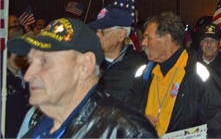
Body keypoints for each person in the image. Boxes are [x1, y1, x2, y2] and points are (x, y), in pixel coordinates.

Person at [8, 17, 158, 138]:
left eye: (45, 61)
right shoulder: (38, 123)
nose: (28, 75)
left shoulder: (125, 132)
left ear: (86, 66)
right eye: (32, 61)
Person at [127, 11, 221, 138]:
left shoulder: (201, 76)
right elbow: (128, 112)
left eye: (149, 38)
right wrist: (139, 119)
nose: (143, 43)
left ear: (167, 39)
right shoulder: (144, 74)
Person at [87, 6, 148, 102]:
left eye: (102, 31)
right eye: (96, 31)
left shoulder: (140, 65)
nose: (97, 36)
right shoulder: (88, 61)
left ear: (121, 35)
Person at [6, 25, 31, 138]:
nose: (23, 59)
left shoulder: (29, 75)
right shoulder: (3, 80)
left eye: (24, 56)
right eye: (19, 56)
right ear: (8, 56)